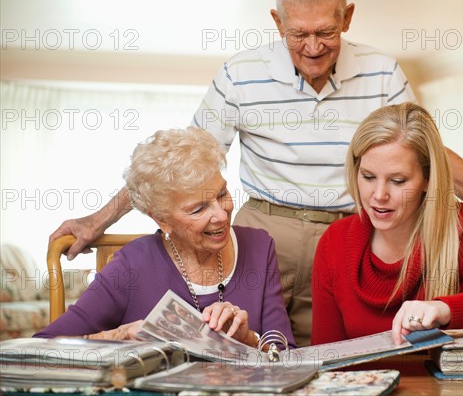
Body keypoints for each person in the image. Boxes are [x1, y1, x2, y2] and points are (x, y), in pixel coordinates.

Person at [49, 0, 463, 346]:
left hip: (348, 228)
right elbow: (181, 167)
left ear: (348, 17)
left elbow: (427, 156)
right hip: (266, 229)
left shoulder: (382, 72)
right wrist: (98, 219)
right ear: (277, 21)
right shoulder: (239, 74)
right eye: (298, 34)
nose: (313, 47)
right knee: (253, 349)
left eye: (326, 32)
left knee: (327, 355)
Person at [311, 102, 463, 346]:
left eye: (398, 180)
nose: (379, 195)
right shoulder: (335, 241)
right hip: (361, 386)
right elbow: (325, 354)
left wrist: (444, 309)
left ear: (428, 179)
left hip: (449, 387)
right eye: (368, 177)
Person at [36, 127, 296, 349]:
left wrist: (248, 338)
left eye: (221, 194)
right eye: (199, 209)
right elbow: (44, 345)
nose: (221, 214)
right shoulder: (132, 264)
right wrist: (118, 335)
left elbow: (284, 350)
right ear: (161, 219)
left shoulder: (259, 246)